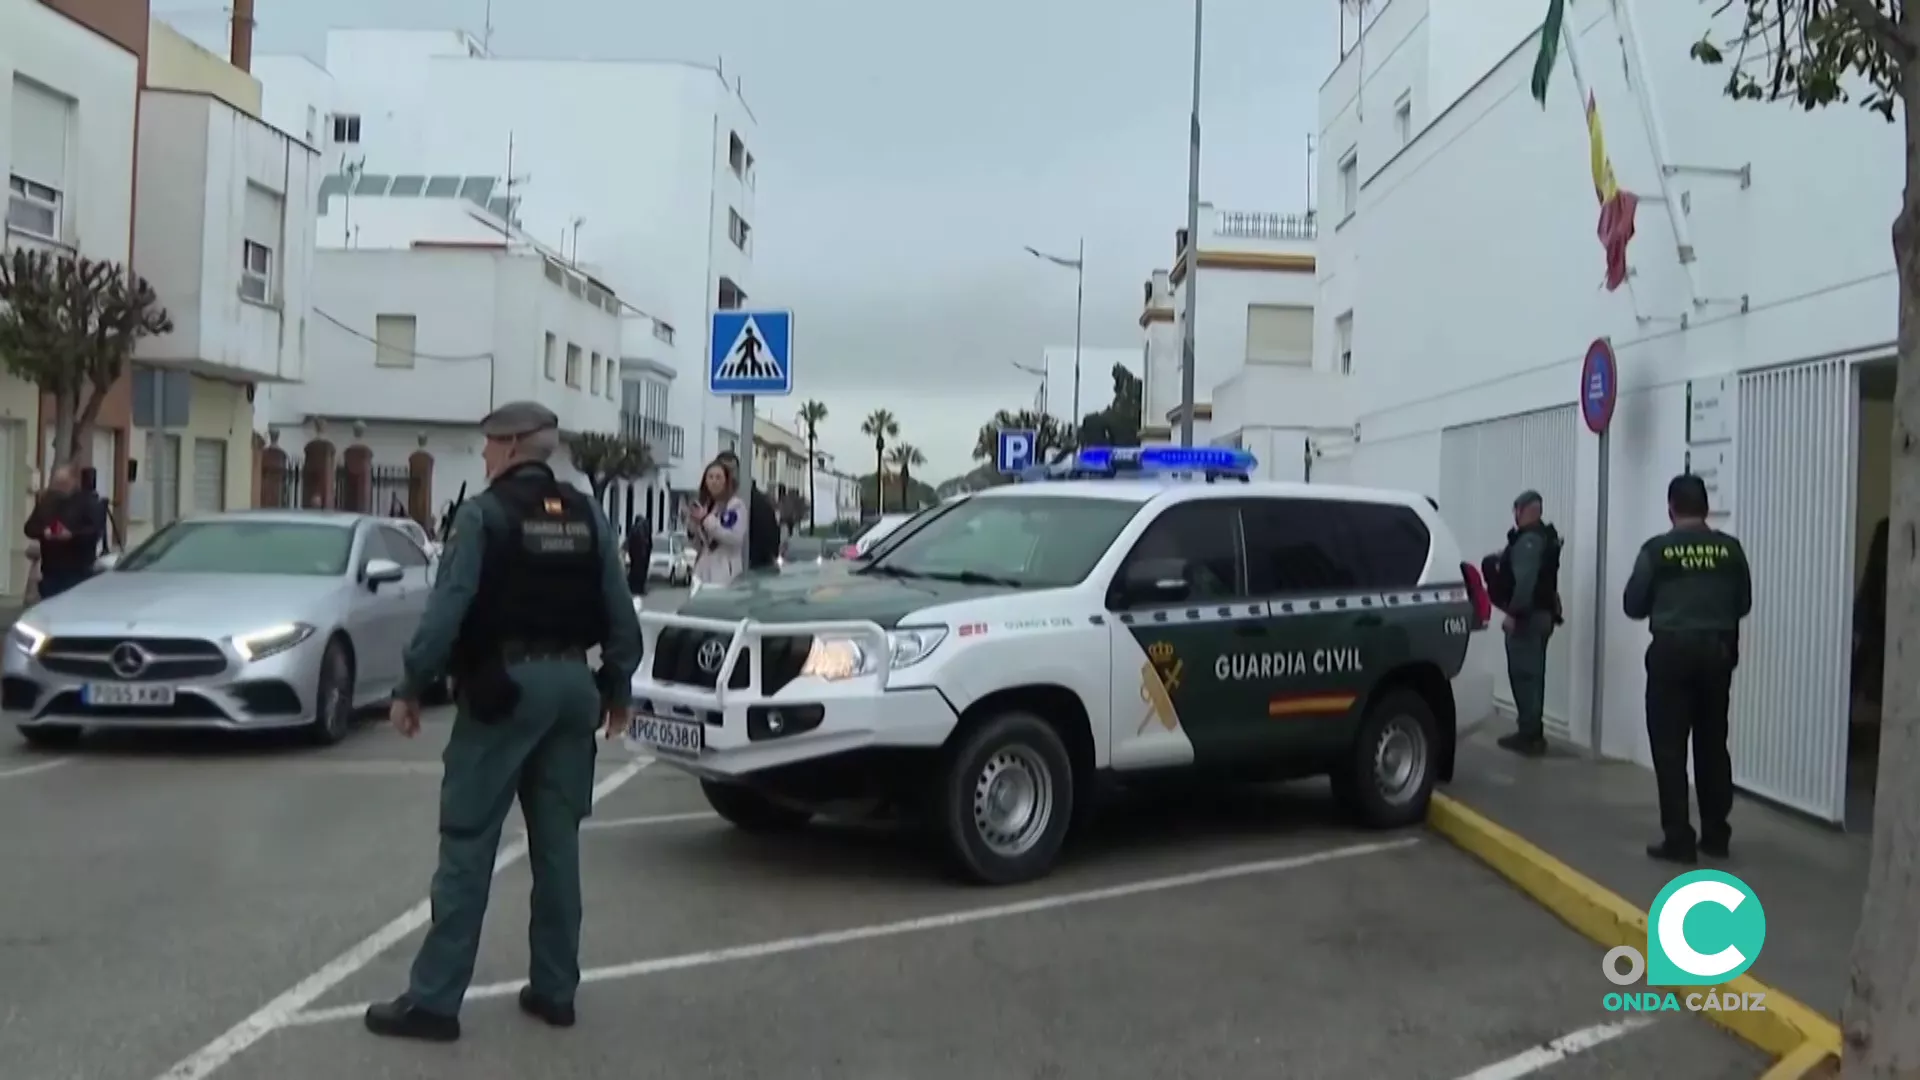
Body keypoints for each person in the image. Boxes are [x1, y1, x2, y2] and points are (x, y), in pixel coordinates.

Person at [364, 400, 643, 1043]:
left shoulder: (482, 515)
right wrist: (618, 688)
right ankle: (555, 990)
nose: (485, 455)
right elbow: (620, 612)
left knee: (467, 842)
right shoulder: (586, 515)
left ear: (514, 445)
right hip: (575, 686)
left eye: (490, 444)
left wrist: (411, 685)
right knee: (557, 846)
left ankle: (434, 1001)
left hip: (505, 689)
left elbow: (447, 609)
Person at [1621, 473, 1752, 865]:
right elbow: (1742, 603)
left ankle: (1678, 837)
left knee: (1669, 748)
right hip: (1717, 654)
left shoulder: (1657, 551)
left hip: (1671, 655)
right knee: (1712, 744)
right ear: (1706, 508)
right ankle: (1716, 834)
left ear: (1671, 508)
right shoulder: (1730, 551)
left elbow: (1633, 605)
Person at [1488, 490, 1563, 757]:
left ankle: (1529, 734)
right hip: (1542, 615)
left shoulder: (1529, 541)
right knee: (1534, 675)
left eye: (1516, 511)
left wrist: (1513, 614)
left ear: (1522, 510)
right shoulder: (1545, 538)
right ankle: (1532, 732)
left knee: (1524, 675)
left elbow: (1526, 583)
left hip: (1528, 619)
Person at [25, 464, 103, 599]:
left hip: (78, 570)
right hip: (51, 570)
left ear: (73, 482)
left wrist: (72, 535)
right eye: (57, 483)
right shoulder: (47, 502)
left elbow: (95, 530)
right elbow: (29, 528)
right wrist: (44, 533)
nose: (59, 487)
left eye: (63, 483)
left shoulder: (86, 502)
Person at [714, 449, 780, 571]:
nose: (727, 476)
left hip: (751, 570)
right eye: (723, 471)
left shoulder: (756, 504)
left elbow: (769, 543)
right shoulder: (714, 502)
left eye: (731, 471)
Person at [688, 459, 747, 587]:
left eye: (718, 477)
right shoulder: (707, 505)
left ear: (726, 481)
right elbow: (699, 545)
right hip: (703, 571)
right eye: (710, 477)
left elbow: (734, 538)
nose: (714, 481)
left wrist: (706, 520)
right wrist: (693, 526)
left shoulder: (735, 506)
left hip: (725, 571)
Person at [625, 514, 652, 596]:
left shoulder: (634, 529)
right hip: (642, 557)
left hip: (635, 556)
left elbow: (629, 542)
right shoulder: (642, 530)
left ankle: (634, 588)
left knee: (634, 572)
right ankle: (639, 589)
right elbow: (648, 544)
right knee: (640, 573)